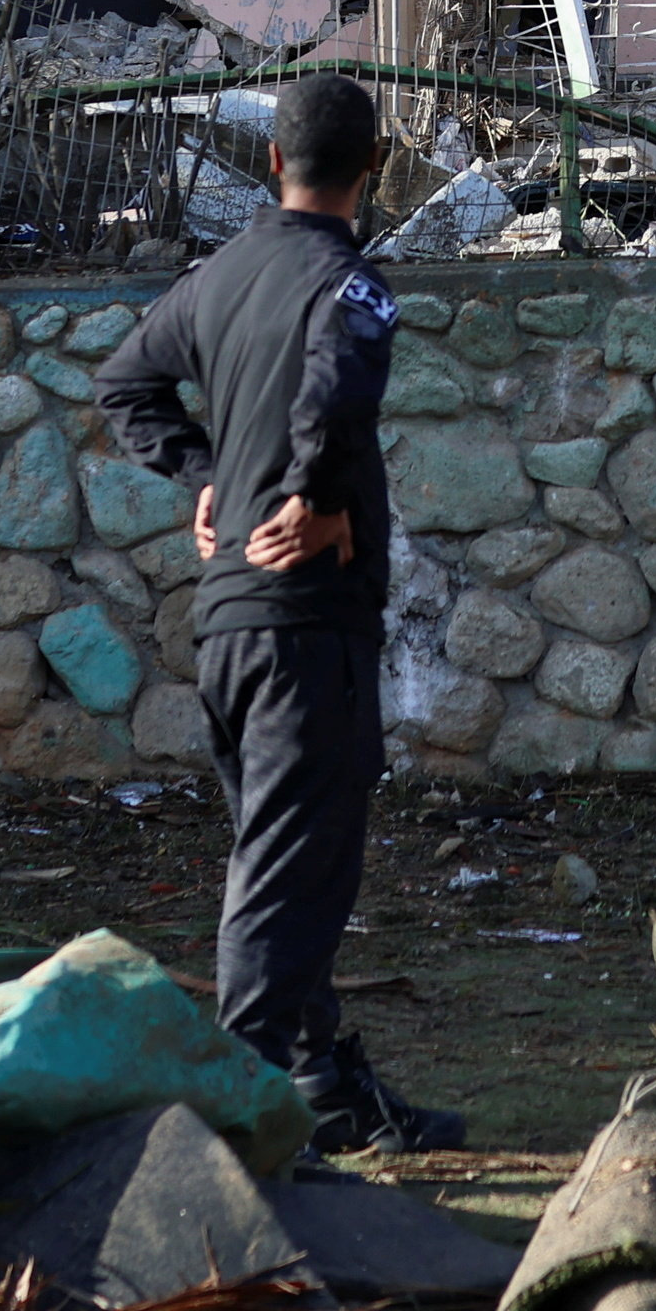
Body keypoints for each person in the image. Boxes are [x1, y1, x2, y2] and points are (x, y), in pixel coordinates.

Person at [92, 72, 459, 1154]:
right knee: (287, 876)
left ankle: (321, 1087)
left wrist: (206, 473)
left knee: (284, 864)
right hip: (306, 626)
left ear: (271, 163)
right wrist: (313, 498)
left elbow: (124, 385)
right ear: (375, 170)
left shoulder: (218, 277)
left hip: (229, 633)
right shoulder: (351, 285)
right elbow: (335, 391)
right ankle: (234, 1123)